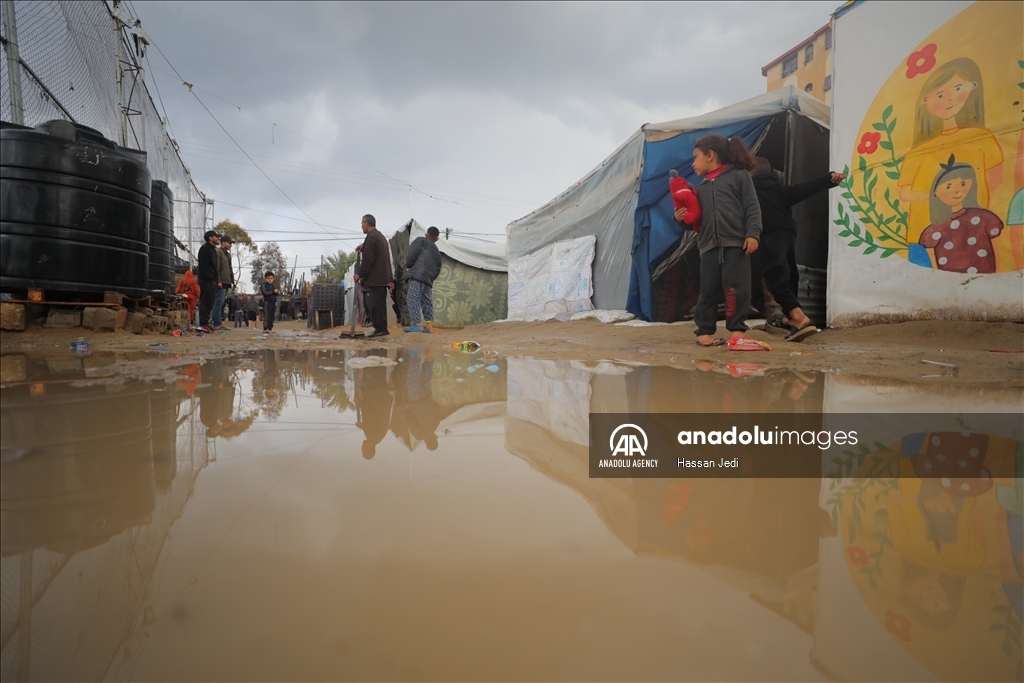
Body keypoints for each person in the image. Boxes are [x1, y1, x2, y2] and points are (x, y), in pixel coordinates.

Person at [676, 134, 762, 347]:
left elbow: (752, 207)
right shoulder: (701, 188)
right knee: (708, 290)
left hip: (736, 244)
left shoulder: (739, 176)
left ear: (710, 155)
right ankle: (704, 333)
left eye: (695, 157)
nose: (693, 163)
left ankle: (736, 331)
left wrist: (753, 233)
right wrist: (680, 219)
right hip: (708, 247)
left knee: (735, 289)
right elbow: (695, 218)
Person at [749, 157, 845, 341]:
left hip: (768, 234)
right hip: (787, 234)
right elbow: (805, 188)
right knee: (790, 273)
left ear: (748, 173)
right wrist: (828, 179)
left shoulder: (749, 192)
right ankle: (790, 318)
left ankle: (799, 318)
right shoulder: (779, 190)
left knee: (774, 276)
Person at [353, 214, 393, 338]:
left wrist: (360, 274)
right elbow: (374, 251)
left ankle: (380, 329)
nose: (361, 227)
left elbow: (368, 259)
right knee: (380, 305)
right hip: (382, 278)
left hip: (376, 279)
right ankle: (382, 328)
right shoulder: (379, 236)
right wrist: (364, 247)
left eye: (361, 224)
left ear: (366, 223)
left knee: (376, 306)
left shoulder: (371, 237)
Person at [403, 226, 442, 333]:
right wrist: (431, 278)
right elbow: (438, 268)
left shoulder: (421, 240)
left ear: (426, 234)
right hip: (428, 280)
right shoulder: (437, 251)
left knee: (412, 298)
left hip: (417, 275)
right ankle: (430, 327)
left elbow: (412, 255)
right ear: (437, 239)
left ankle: (417, 326)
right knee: (426, 302)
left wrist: (409, 264)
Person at [196, 230, 220, 329]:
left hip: (212, 280)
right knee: (205, 301)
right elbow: (204, 265)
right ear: (210, 238)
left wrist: (215, 279)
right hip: (206, 280)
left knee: (210, 301)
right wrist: (210, 277)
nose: (218, 238)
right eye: (216, 236)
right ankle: (203, 323)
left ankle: (206, 322)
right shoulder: (205, 249)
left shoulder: (213, 250)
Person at [213, 235, 235, 330]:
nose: (230, 245)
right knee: (218, 302)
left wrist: (232, 280)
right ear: (223, 243)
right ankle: (216, 323)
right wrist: (218, 280)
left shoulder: (228, 254)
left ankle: (219, 322)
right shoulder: (218, 252)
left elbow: (230, 268)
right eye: (229, 243)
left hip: (227, 281)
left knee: (222, 303)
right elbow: (216, 268)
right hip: (220, 282)